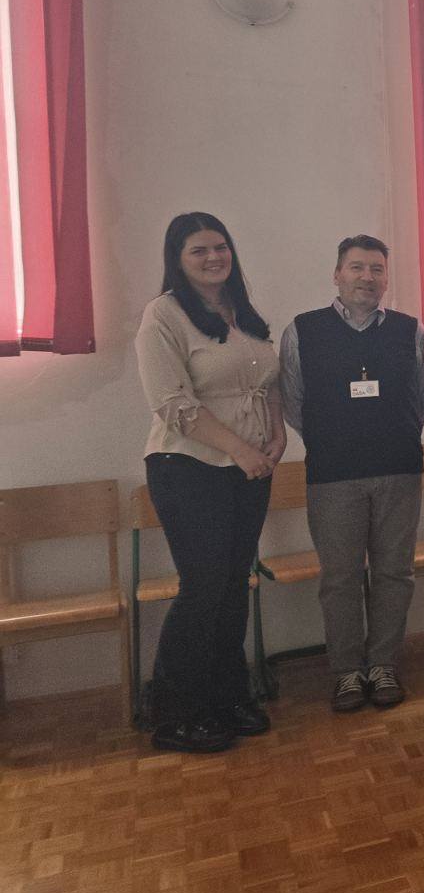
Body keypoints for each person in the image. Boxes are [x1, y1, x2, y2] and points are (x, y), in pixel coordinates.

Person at [135, 212, 284, 753]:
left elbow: (265, 381)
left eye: (220, 246)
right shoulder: (163, 314)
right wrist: (240, 449)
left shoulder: (241, 310)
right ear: (178, 259)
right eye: (199, 250)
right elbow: (172, 403)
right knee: (203, 589)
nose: (213, 257)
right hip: (188, 468)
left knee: (234, 585)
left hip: (250, 468)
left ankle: (227, 695)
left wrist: (276, 435)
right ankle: (176, 712)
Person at [281, 235, 424, 713]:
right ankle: (347, 671)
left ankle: (383, 665)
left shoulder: (411, 330)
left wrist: (393, 432)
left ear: (386, 278)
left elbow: (423, 397)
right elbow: (294, 402)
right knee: (340, 578)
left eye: (377, 269)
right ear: (337, 274)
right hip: (333, 475)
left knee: (395, 574)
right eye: (357, 267)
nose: (367, 277)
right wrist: (334, 438)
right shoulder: (303, 330)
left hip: (398, 471)